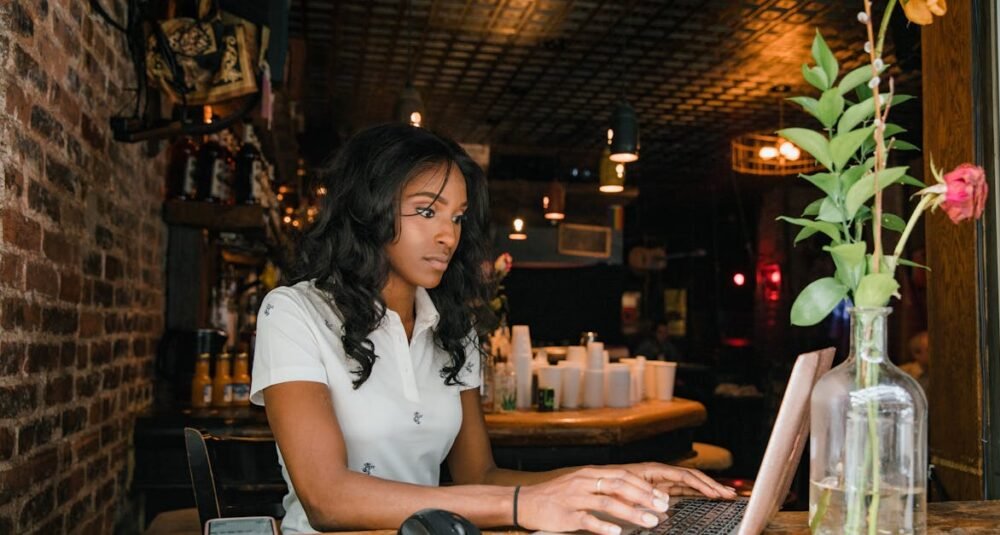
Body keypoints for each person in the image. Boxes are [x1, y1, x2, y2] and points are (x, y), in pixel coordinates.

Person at [250, 124, 735, 534]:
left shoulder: (452, 330)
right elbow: (326, 497)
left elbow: (479, 474)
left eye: (457, 217)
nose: (448, 235)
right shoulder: (295, 312)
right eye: (426, 210)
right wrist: (524, 506)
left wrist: (614, 480)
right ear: (367, 208)